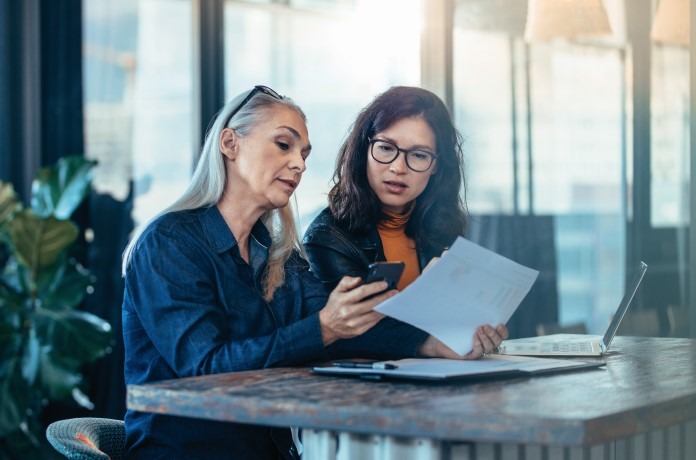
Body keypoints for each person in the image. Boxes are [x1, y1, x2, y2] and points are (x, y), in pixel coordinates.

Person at [120, 85, 507, 460]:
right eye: (284, 145)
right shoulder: (169, 242)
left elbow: (341, 332)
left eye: (304, 153)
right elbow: (203, 367)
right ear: (230, 144)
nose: (299, 164)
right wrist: (324, 327)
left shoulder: (276, 253)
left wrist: (432, 343)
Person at [303, 86, 469, 292]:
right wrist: (426, 292)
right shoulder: (328, 239)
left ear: (436, 165)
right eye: (386, 148)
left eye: (419, 155)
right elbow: (360, 324)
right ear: (364, 150)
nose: (398, 168)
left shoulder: (443, 227)